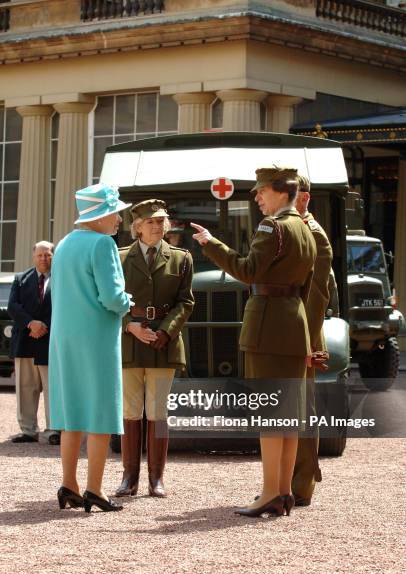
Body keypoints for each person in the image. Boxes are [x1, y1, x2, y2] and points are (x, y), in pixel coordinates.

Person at [191, 167, 317, 518]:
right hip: (294, 324)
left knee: (269, 415)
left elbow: (247, 270)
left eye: (261, 191)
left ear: (279, 191)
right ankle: (284, 492)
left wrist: (211, 244)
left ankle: (268, 494)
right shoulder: (304, 227)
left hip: (268, 326)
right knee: (288, 415)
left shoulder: (272, 226)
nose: (258, 198)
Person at [48, 183, 132, 513]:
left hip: (65, 337)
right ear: (100, 216)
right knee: (100, 415)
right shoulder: (102, 244)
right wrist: (128, 303)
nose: (118, 220)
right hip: (95, 337)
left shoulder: (65, 243)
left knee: (71, 415)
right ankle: (95, 490)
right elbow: (112, 298)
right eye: (115, 214)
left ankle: (69, 484)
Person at [115, 199, 194, 499]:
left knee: (158, 412)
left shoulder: (181, 258)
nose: (158, 226)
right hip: (131, 343)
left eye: (161, 221)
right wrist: (129, 325)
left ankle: (156, 479)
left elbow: (185, 302)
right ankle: (129, 478)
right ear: (137, 227)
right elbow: (109, 300)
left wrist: (166, 331)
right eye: (151, 222)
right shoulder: (120, 259)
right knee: (131, 412)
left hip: (164, 343)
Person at [292, 175, 333, 506]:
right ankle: (286, 481)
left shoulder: (313, 234)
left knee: (302, 409)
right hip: (290, 328)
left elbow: (318, 295)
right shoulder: (292, 228)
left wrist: (306, 342)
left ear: (303, 199)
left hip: (304, 330)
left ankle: (301, 486)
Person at [8, 241, 60, 445]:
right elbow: (13, 306)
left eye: (47, 255)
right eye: (40, 255)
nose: (43, 259)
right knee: (25, 387)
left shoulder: (61, 279)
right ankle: (28, 430)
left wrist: (43, 325)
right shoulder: (21, 279)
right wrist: (31, 323)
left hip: (49, 340)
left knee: (52, 389)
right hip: (26, 341)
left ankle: (53, 430)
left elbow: (64, 306)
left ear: (53, 256)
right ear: (33, 256)